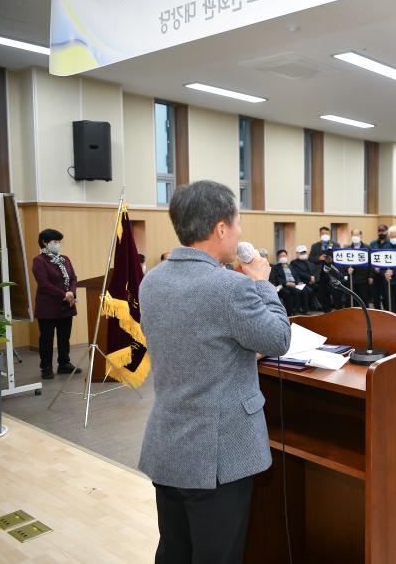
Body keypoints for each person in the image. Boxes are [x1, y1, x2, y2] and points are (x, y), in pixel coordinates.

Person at [138, 180, 290, 563]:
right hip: (218, 455)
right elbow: (278, 338)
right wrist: (262, 284)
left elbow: (191, 341)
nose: (239, 232)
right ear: (221, 228)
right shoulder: (231, 287)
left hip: (169, 444)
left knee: (174, 550)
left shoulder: (151, 280)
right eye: (237, 223)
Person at [32, 228, 80, 380]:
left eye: (59, 242)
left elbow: (73, 278)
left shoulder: (65, 259)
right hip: (48, 306)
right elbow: (44, 284)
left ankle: (64, 364)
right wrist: (64, 294)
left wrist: (71, 292)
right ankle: (46, 367)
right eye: (55, 242)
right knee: (47, 339)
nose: (58, 244)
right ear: (45, 243)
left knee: (64, 337)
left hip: (67, 305)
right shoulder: (39, 261)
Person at [309, 226, 339, 312]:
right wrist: (319, 258)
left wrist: (332, 260)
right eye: (322, 233)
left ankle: (337, 310)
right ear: (319, 234)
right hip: (320, 273)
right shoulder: (315, 246)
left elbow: (339, 258)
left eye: (326, 233)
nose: (324, 235)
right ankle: (326, 311)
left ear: (329, 234)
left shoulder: (335, 245)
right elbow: (310, 258)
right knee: (323, 293)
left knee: (335, 292)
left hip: (332, 271)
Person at [270, 249, 309, 315]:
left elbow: (296, 275)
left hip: (294, 284)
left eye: (284, 255)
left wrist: (299, 282)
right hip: (285, 285)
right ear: (278, 257)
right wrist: (286, 283)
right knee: (296, 292)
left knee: (305, 290)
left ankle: (305, 310)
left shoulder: (291, 266)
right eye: (281, 256)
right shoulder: (276, 267)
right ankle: (295, 311)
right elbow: (277, 278)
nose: (283, 257)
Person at [342, 229, 371, 308]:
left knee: (364, 300)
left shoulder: (367, 248)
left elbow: (370, 263)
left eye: (357, 235)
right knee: (351, 300)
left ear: (361, 236)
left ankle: (365, 317)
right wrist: (347, 268)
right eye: (354, 235)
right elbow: (344, 263)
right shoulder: (347, 249)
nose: (355, 237)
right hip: (352, 279)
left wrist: (370, 276)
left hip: (363, 279)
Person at [369, 224, 390, 310]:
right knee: (375, 297)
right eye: (380, 231)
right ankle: (377, 314)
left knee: (386, 297)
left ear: (386, 232)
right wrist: (370, 275)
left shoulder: (390, 244)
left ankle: (387, 315)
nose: (381, 233)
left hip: (385, 274)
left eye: (383, 231)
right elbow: (370, 260)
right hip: (375, 275)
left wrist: (381, 270)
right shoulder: (373, 244)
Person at [290, 245, 316, 313]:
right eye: (301, 253)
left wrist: (313, 277)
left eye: (304, 252)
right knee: (305, 290)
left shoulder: (308, 261)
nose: (303, 254)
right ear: (297, 253)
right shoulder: (294, 262)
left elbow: (313, 271)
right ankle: (304, 310)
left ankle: (312, 307)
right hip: (300, 281)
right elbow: (298, 272)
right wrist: (309, 277)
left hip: (311, 282)